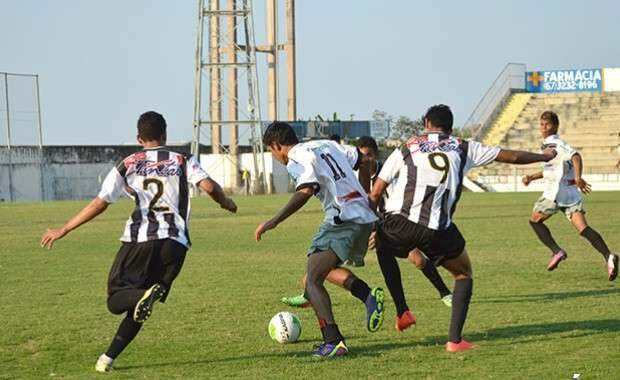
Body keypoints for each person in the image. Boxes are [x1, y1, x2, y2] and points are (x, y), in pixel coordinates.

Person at [40, 111, 237, 372]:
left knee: (115, 299)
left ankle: (139, 301)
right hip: (176, 244)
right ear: (165, 135)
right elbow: (209, 187)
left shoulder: (129, 162)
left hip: (140, 239)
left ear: (139, 138)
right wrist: (227, 202)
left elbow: (101, 202)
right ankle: (107, 359)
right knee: (140, 305)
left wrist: (64, 228)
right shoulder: (182, 158)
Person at [369, 104, 557, 352]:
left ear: (426, 122)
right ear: (450, 126)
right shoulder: (464, 146)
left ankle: (402, 310)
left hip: (399, 222)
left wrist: (372, 227)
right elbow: (510, 156)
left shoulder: (407, 146)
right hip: (437, 229)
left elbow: (376, 192)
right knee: (463, 274)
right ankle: (455, 341)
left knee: (382, 243)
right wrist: (544, 157)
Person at [255, 122, 384, 358]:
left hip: (342, 219)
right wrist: (367, 197)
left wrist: (274, 221)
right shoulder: (326, 144)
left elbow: (305, 191)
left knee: (312, 279)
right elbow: (366, 160)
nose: (274, 157)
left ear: (277, 145)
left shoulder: (296, 158)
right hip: (362, 218)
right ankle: (367, 295)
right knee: (320, 271)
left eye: (271, 151)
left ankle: (334, 341)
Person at [522, 111, 618, 280]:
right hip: (570, 194)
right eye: (542, 125)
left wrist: (578, 177)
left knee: (534, 221)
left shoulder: (554, 143)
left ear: (556, 126)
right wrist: (531, 177)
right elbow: (551, 171)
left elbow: (576, 156)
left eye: (548, 125)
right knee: (583, 229)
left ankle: (557, 251)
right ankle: (609, 256)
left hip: (555, 193)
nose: (544, 128)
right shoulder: (549, 145)